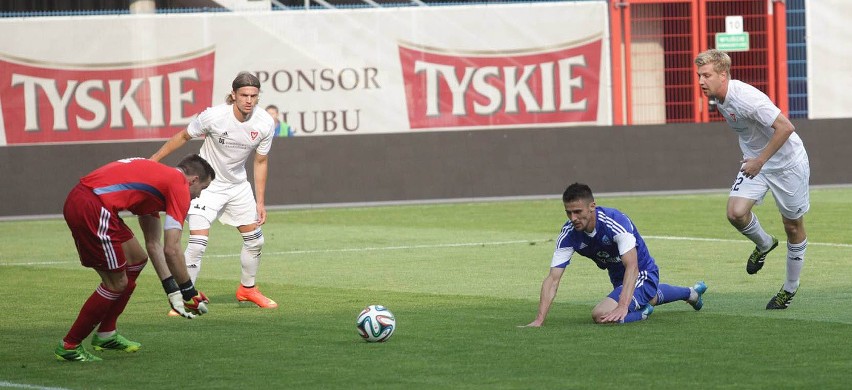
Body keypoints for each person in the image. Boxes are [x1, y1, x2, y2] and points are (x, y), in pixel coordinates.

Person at [56, 155, 215, 362]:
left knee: (136, 260)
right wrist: (189, 292)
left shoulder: (159, 183)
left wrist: (172, 290)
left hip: (88, 201)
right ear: (192, 180)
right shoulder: (178, 185)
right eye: (202, 189)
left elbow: (153, 244)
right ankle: (70, 345)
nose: (199, 196)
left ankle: (106, 334)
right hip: (93, 206)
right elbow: (172, 249)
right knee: (116, 283)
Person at [151, 72, 278, 311]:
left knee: (256, 241)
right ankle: (184, 299)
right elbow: (183, 136)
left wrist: (260, 202)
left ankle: (247, 290)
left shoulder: (264, 123)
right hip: (206, 186)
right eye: (244, 95)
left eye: (253, 95)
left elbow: (260, 161)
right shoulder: (214, 116)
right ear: (234, 95)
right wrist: (154, 160)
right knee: (197, 243)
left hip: (238, 186)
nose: (249, 100)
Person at [695, 49, 809, 310]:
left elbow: (786, 127)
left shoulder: (746, 98)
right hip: (757, 163)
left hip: (787, 164)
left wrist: (760, 160)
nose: (701, 81)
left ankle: (789, 289)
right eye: (699, 75)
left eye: (706, 75)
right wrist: (754, 159)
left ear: (723, 75)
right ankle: (765, 243)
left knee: (792, 226)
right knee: (735, 213)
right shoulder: (719, 98)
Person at [525, 183, 706, 326]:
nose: (573, 218)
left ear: (592, 207)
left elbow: (632, 266)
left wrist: (622, 306)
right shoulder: (569, 234)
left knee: (600, 314)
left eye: (578, 212)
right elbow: (553, 279)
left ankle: (641, 313)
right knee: (649, 296)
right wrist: (539, 320)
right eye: (568, 212)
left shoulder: (615, 222)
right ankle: (691, 293)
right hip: (619, 277)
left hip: (641, 272)